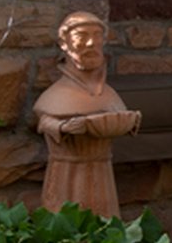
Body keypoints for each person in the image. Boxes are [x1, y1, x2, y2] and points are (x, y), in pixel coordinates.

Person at [33, 12, 142, 217]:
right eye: (82, 36)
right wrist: (63, 127)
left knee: (104, 227)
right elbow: (43, 120)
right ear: (64, 43)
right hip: (67, 174)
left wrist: (131, 121)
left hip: (102, 172)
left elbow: (117, 113)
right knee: (67, 228)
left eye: (97, 35)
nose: (91, 43)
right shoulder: (55, 95)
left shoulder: (109, 94)